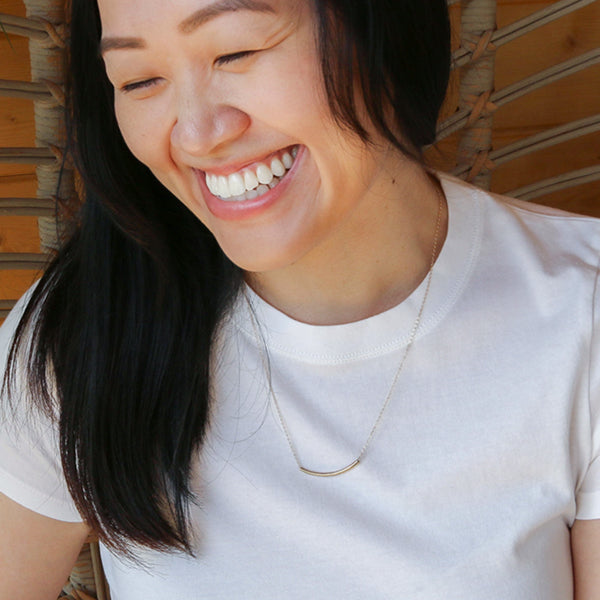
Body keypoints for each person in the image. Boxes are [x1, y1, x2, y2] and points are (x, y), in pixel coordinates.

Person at [1, 0, 600, 597]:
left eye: (235, 52)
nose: (197, 133)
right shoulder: (83, 329)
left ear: (375, 30)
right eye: (140, 80)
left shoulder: (581, 308)